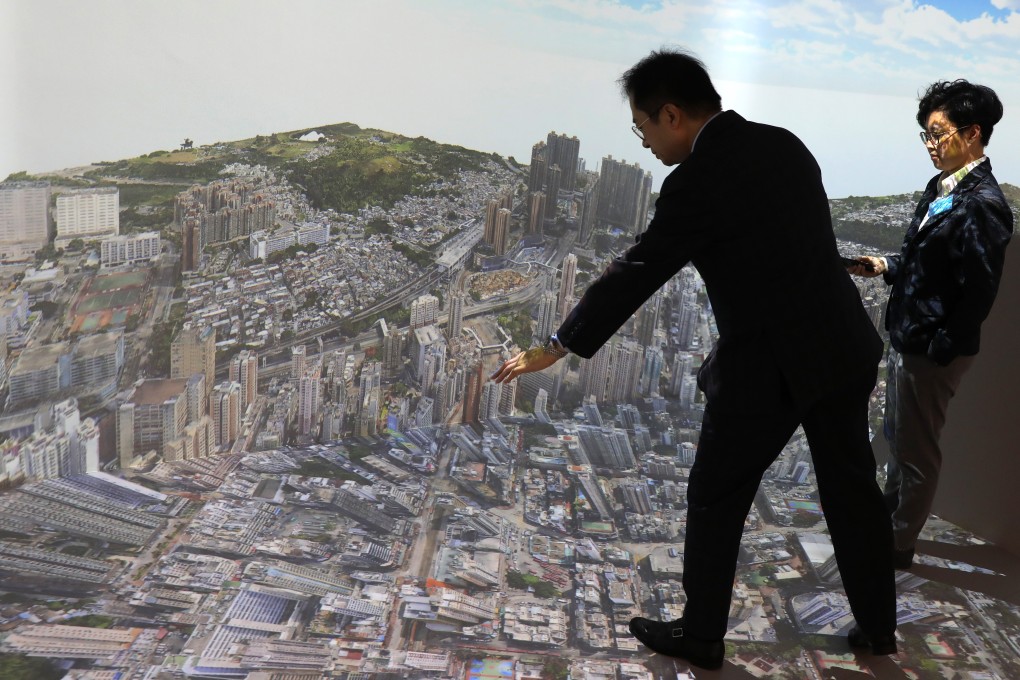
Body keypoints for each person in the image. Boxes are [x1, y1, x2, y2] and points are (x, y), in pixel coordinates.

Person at [492, 48, 897, 669]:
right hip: (841, 347)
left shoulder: (697, 183)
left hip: (765, 367)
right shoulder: (786, 145)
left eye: (643, 127)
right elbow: (800, 244)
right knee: (854, 493)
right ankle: (878, 629)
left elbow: (637, 270)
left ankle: (703, 633)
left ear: (672, 114)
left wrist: (557, 345)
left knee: (715, 496)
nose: (646, 143)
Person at [848, 80, 1012, 570]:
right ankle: (889, 520)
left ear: (973, 133)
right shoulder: (942, 187)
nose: (931, 145)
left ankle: (897, 545)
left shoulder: (983, 205)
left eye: (938, 134)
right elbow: (925, 258)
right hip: (908, 336)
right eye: (926, 135)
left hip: (930, 349)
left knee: (917, 453)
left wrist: (941, 347)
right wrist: (885, 265)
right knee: (898, 441)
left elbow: (979, 290)